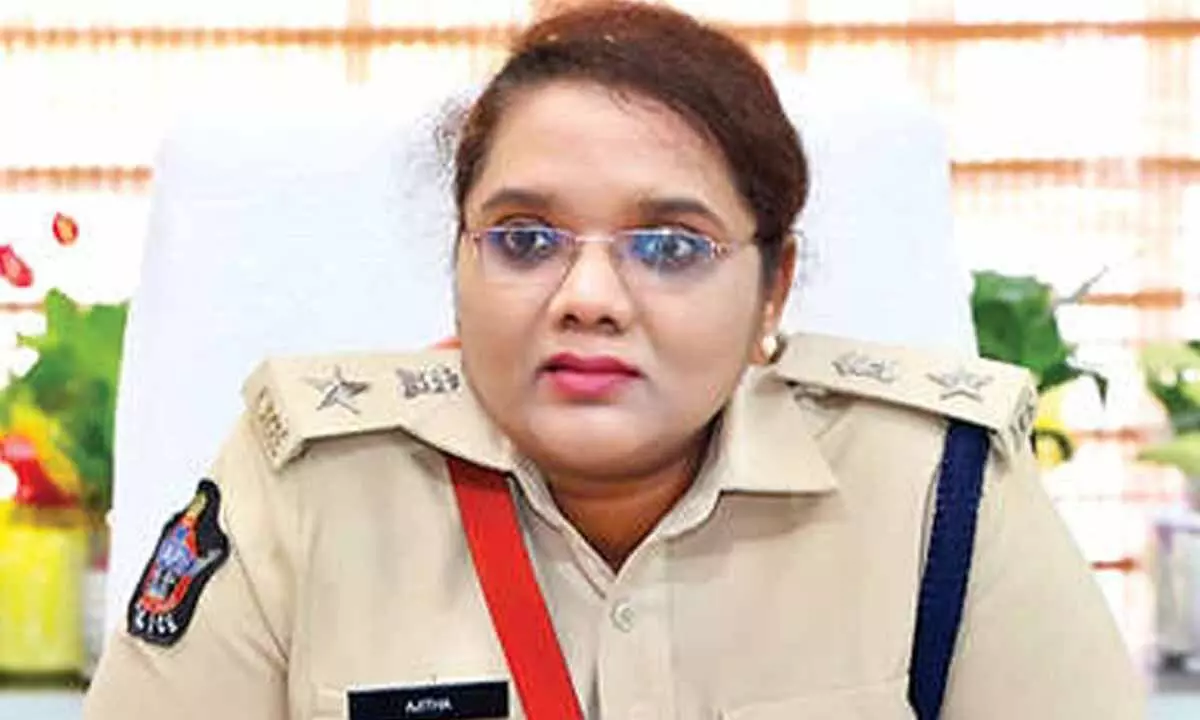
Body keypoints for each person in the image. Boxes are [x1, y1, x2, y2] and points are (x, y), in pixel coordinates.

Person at [85, 2, 1143, 718]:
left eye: (671, 247)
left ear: (773, 287)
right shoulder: (306, 488)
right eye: (525, 239)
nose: (587, 297)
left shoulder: (940, 494)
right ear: (459, 262)